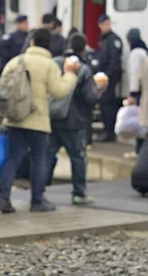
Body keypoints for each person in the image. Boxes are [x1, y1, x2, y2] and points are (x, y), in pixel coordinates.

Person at [0, 28, 79, 213]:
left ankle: (4, 199)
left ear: (32, 42)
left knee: (13, 158)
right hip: (38, 122)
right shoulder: (49, 65)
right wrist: (70, 74)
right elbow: (59, 92)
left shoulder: (16, 61)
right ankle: (37, 201)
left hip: (14, 119)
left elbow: (2, 91)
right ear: (49, 45)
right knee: (38, 159)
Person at [45, 33, 105, 205]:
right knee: (78, 158)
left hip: (52, 117)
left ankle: (39, 191)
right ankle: (79, 193)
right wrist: (100, 88)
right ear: (84, 48)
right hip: (74, 121)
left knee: (47, 155)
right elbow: (90, 98)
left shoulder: (55, 63)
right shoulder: (83, 69)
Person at [96, 14, 123, 142]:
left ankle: (109, 132)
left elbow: (114, 60)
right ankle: (107, 130)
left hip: (109, 78)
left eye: (107, 23)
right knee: (104, 104)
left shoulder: (113, 39)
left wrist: (107, 75)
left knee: (107, 104)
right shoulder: (104, 39)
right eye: (103, 24)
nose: (106, 26)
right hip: (103, 77)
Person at [124, 28, 148, 154]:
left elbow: (135, 74)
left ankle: (139, 151)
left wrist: (132, 94)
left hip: (138, 92)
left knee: (139, 123)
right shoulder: (144, 50)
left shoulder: (135, 54)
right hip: (145, 90)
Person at [0, 14, 29, 81]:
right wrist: (9, 57)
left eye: (26, 23)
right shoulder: (12, 36)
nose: (26, 25)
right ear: (18, 25)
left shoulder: (28, 36)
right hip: (11, 66)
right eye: (24, 23)